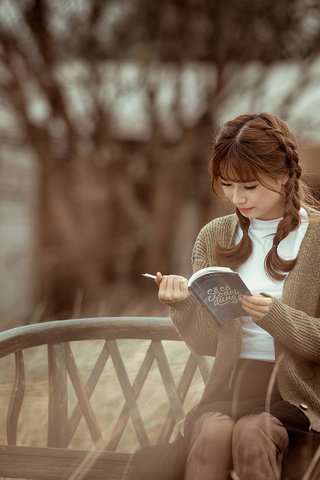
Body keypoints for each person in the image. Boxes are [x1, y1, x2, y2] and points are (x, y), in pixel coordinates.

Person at [154, 112, 320, 480]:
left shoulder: (317, 240)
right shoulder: (216, 235)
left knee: (252, 433)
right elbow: (206, 344)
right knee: (212, 434)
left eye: (248, 187)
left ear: (284, 175)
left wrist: (277, 317)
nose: (236, 198)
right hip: (232, 385)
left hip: (299, 396)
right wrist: (181, 306)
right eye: (227, 185)